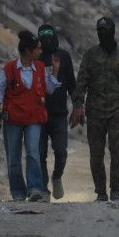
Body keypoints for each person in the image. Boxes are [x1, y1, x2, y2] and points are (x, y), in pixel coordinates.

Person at [70, 17, 119, 202]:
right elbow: (81, 82)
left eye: (106, 31)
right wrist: (78, 105)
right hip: (95, 112)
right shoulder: (91, 55)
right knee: (96, 153)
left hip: (118, 110)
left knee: (117, 151)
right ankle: (101, 192)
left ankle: (116, 190)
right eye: (100, 31)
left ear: (113, 32)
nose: (103, 34)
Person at [0, 31, 62, 202]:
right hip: (13, 119)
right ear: (28, 51)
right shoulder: (9, 68)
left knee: (32, 152)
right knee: (13, 157)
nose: (41, 51)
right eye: (38, 49)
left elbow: (50, 89)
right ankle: (18, 192)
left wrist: (55, 71)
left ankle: (34, 189)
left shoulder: (40, 68)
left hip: (34, 119)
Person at [37, 24, 75, 200]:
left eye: (49, 36)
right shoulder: (36, 58)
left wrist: (78, 106)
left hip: (59, 114)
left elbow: (72, 84)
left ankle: (57, 177)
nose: (47, 40)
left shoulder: (63, 56)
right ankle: (43, 189)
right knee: (40, 153)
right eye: (43, 37)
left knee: (61, 151)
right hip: (38, 114)